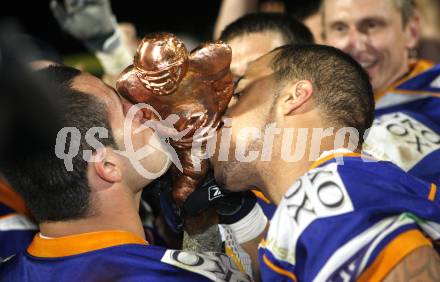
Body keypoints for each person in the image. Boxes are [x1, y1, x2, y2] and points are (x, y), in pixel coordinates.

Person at [209, 44, 440, 281]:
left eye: (239, 94)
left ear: (294, 96)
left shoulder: (325, 191)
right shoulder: (346, 182)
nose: (221, 113)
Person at [0, 65, 250, 282]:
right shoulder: (183, 277)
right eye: (124, 109)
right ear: (107, 167)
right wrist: (247, 223)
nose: (142, 110)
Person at [322, 0, 440, 185]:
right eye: (340, 28)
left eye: (371, 25)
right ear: (323, 40)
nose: (356, 45)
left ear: (412, 31)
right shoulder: (310, 109)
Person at [219, 13, 314, 218]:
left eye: (256, 78)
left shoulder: (348, 174)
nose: (234, 94)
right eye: (230, 80)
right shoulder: (215, 189)